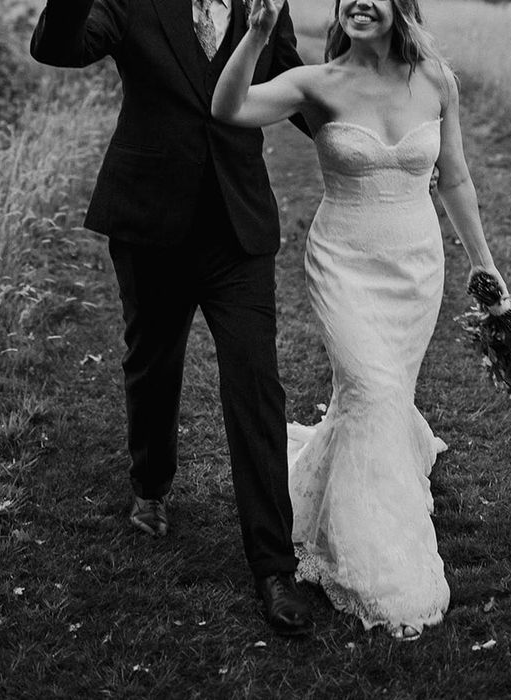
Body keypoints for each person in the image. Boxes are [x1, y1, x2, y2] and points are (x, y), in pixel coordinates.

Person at [212, 0, 510, 639]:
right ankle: (382, 564)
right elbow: (228, 109)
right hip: (343, 263)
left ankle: (344, 497)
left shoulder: (435, 80)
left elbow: (454, 178)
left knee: (384, 396)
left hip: (416, 269)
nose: (359, 3)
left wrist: (482, 265)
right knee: (373, 392)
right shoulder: (314, 86)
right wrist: (257, 36)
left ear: (403, 6)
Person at [29, 0, 313, 636]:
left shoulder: (269, 1)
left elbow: (296, 86)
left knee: (256, 382)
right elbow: (58, 47)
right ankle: (151, 484)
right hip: (150, 219)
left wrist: (376, 139)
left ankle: (273, 566)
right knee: (153, 363)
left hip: (237, 226)